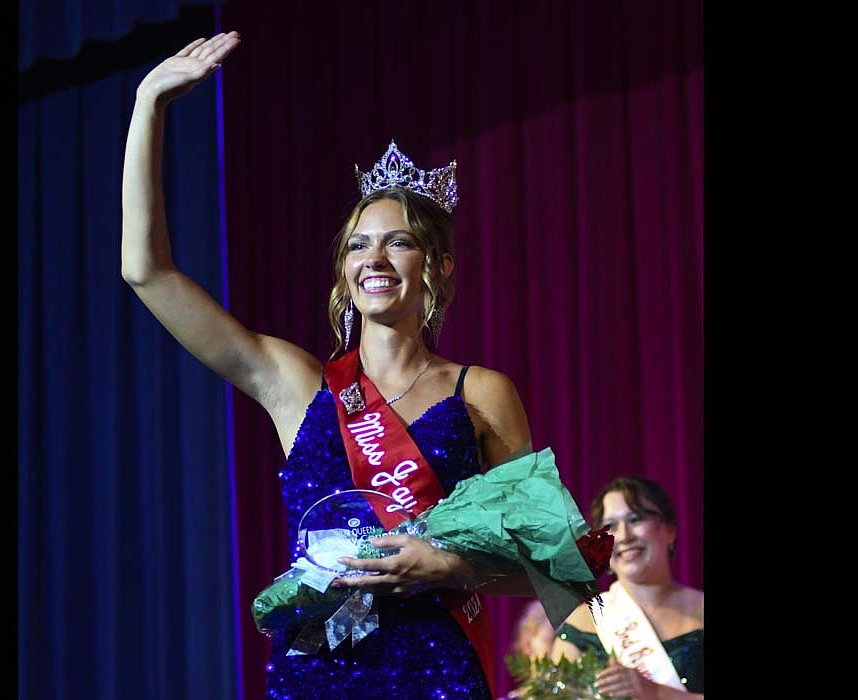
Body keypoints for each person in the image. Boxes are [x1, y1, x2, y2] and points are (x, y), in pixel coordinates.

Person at [122, 31, 550, 699]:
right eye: (358, 246)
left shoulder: (483, 392)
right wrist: (148, 103)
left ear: (436, 265)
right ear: (344, 272)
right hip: (320, 670)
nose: (374, 260)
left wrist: (445, 563)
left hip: (437, 668)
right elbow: (147, 272)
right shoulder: (297, 383)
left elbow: (545, 566)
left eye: (398, 243)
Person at [548, 477, 704, 698]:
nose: (624, 536)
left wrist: (657, 693)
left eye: (636, 519)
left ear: (669, 531)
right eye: (610, 526)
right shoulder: (582, 623)